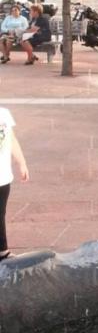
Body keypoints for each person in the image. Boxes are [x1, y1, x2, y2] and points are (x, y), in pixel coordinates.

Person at [0, 107, 29, 260]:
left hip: (3, 176)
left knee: (0, 213)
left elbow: (11, 139)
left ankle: (2, 251)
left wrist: (22, 163)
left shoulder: (3, 113)